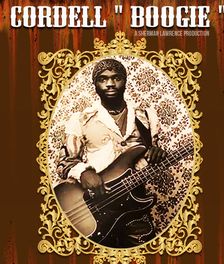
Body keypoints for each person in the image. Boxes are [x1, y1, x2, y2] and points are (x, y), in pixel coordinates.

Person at [56, 58, 166, 248]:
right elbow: (63, 162)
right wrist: (83, 172)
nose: (110, 84)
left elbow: (149, 155)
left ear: (125, 81)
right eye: (102, 79)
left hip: (135, 205)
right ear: (95, 84)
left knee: (141, 260)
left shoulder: (146, 116)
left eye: (116, 78)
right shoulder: (81, 119)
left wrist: (156, 152)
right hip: (95, 205)